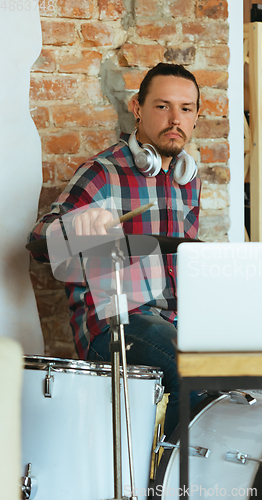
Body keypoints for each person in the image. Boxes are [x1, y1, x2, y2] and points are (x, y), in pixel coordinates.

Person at [28, 62, 203, 438]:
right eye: (162, 106)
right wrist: (75, 227)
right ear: (137, 109)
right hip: (114, 323)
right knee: (187, 366)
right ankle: (164, 483)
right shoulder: (103, 172)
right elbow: (39, 241)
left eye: (185, 109)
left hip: (173, 322)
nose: (175, 119)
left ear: (196, 116)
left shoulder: (188, 180)